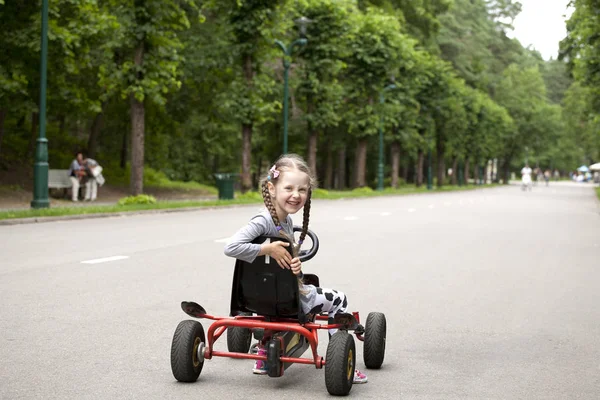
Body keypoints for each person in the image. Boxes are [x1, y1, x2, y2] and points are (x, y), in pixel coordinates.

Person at [223, 154, 368, 384]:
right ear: (271, 188)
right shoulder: (263, 221)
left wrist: (294, 263)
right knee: (339, 299)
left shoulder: (285, 221)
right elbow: (231, 247)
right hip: (288, 300)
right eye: (288, 188)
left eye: (302, 190)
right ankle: (338, 359)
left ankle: (264, 354)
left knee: (298, 289)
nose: (296, 195)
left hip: (254, 299)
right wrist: (267, 249)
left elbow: (279, 264)